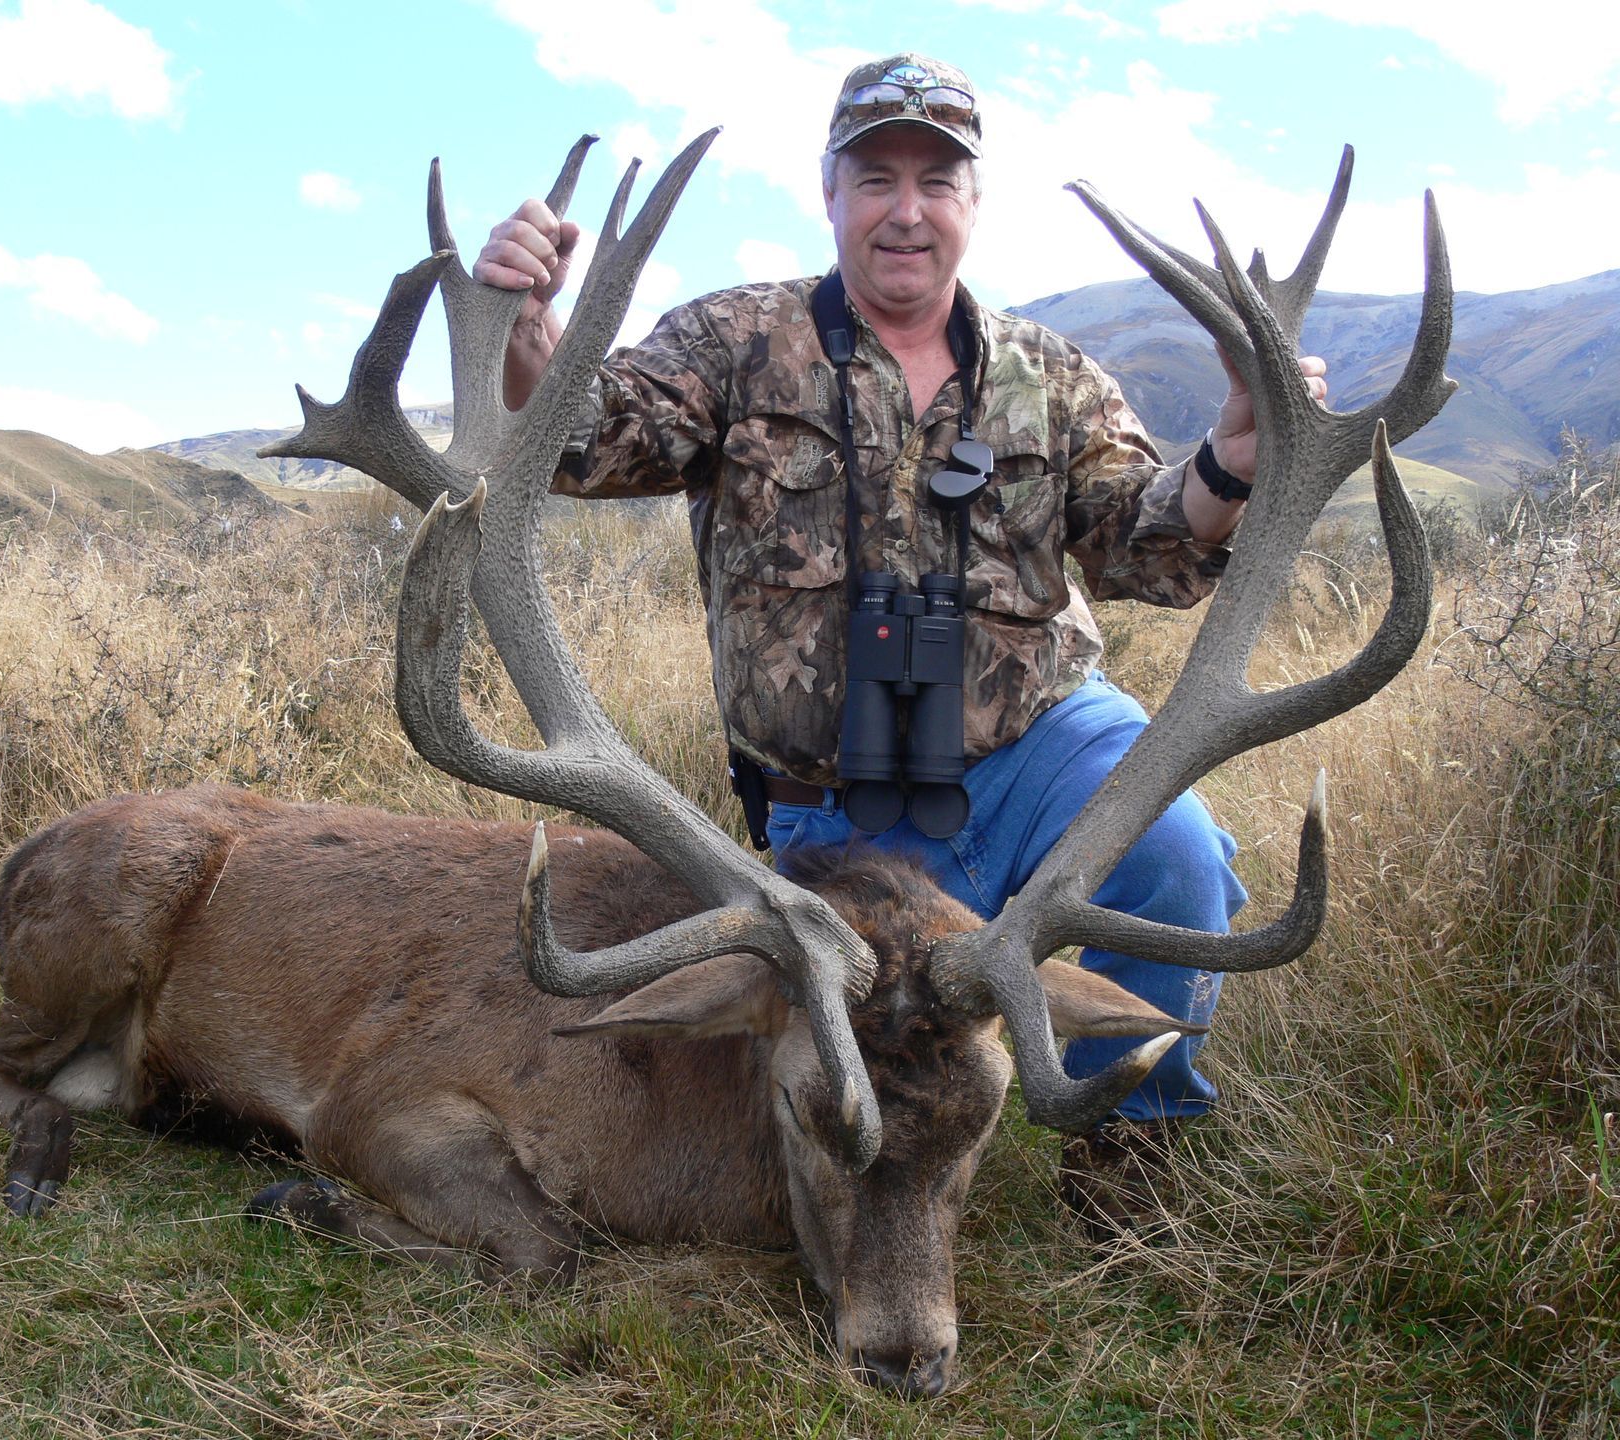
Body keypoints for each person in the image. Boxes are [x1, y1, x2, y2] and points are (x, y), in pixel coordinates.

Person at [472, 53, 1328, 1227]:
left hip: (1042, 746)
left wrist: (1235, 448)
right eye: (877, 176)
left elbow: (1143, 544)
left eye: (938, 179)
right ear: (831, 191)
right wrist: (531, 334)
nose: (907, 208)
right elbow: (587, 441)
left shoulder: (1050, 373)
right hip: (836, 796)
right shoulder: (735, 341)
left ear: (973, 203)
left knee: (1178, 860)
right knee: (843, 1030)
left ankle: (1132, 1158)